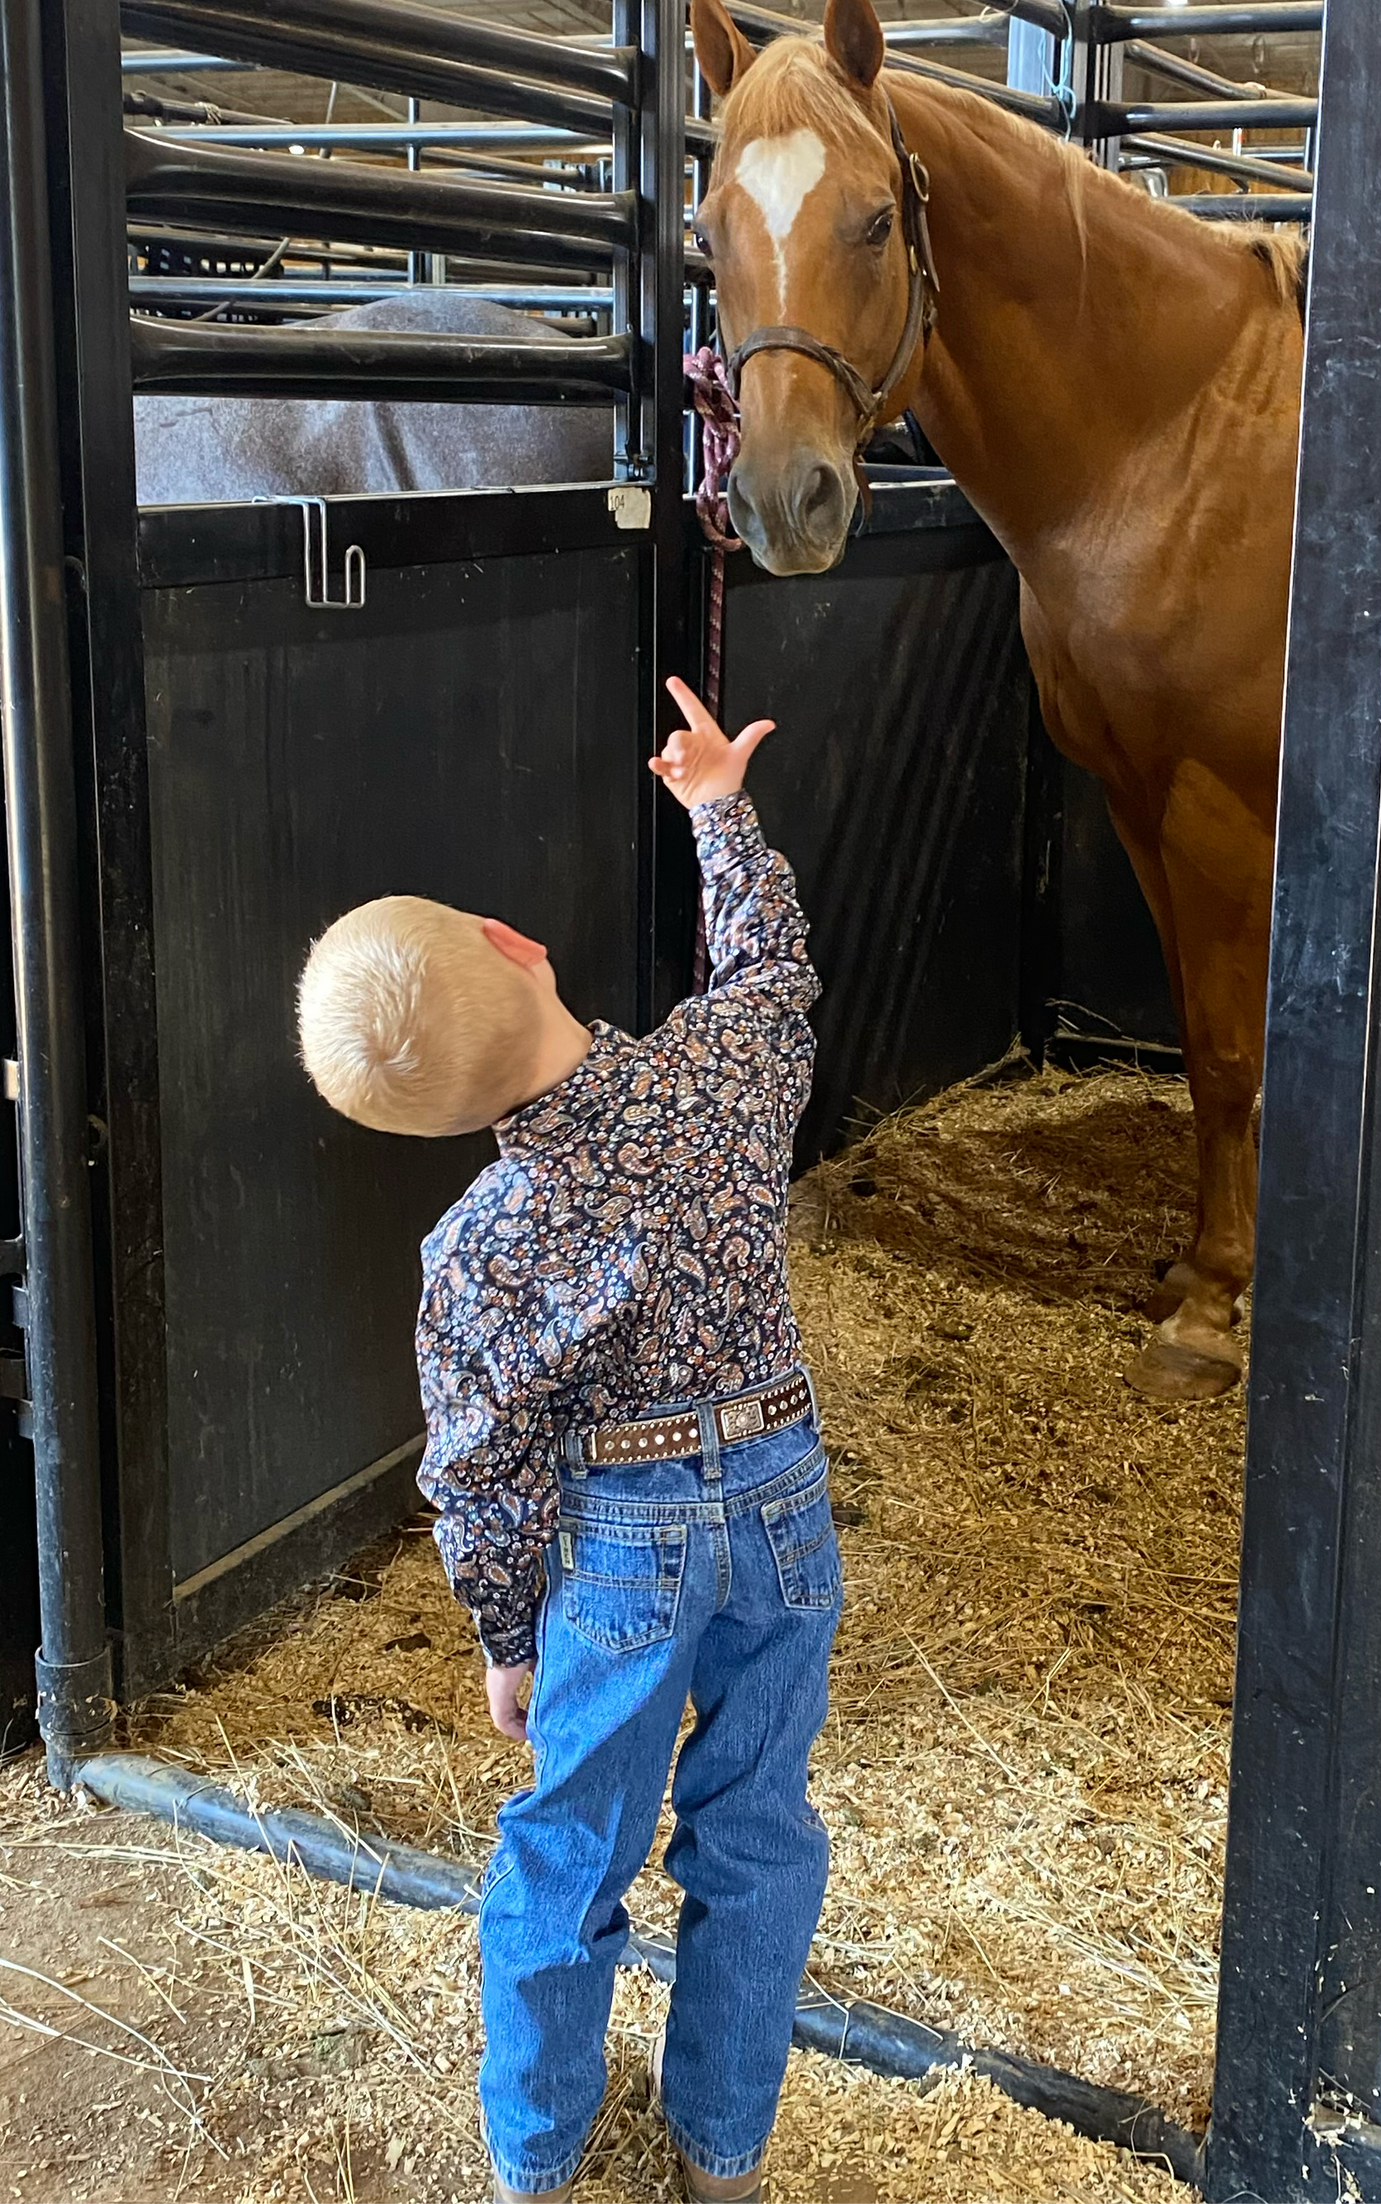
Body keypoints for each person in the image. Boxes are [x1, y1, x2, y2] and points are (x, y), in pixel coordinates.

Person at [297, 679, 841, 2204]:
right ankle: (723, 2154)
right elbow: (770, 973)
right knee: (756, 1829)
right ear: (521, 949)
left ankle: (536, 2163)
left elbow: (479, 1468)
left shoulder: (474, 1246)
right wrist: (719, 813)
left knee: (565, 1856)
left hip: (621, 1546)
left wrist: (506, 1634)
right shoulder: (721, 1084)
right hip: (786, 1498)